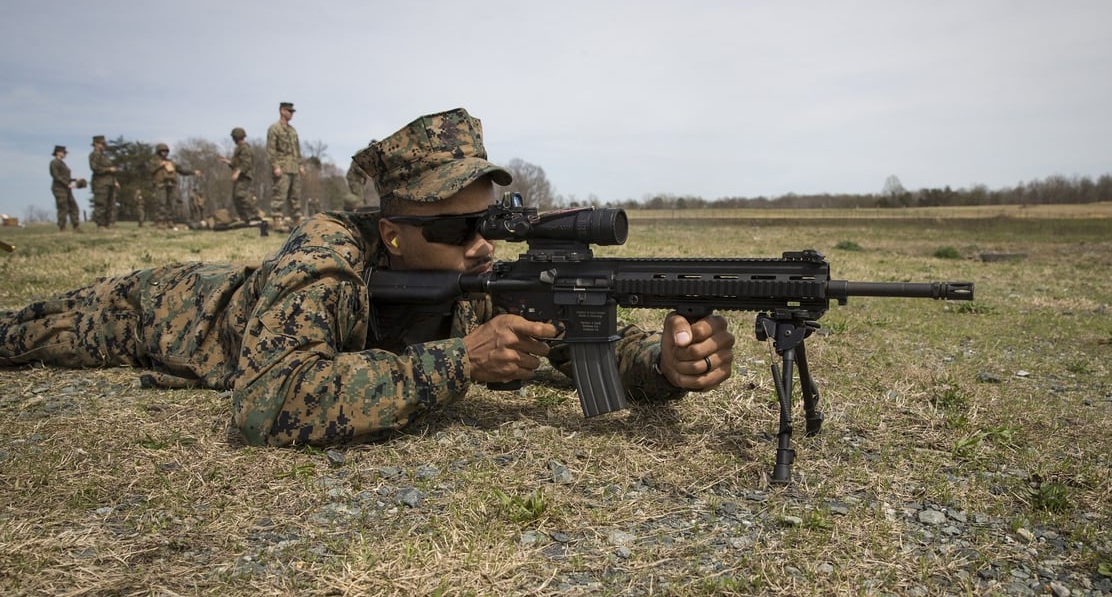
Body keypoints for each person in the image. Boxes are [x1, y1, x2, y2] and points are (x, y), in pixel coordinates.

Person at [0, 108, 735, 447]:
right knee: (26, 334)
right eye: (456, 228)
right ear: (393, 233)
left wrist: (664, 363)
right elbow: (263, 403)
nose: (483, 244)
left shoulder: (483, 271)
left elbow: (583, 353)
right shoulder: (325, 255)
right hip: (163, 310)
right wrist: (458, 361)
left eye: (492, 222)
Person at [266, 101, 304, 230]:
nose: (291, 114)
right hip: (282, 168)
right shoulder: (274, 129)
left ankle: (297, 221)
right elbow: (271, 150)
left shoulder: (293, 131)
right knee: (279, 194)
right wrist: (275, 166)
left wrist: (300, 165)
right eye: (289, 111)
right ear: (282, 111)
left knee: (295, 196)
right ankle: (277, 220)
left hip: (294, 167)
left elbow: (297, 149)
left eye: (292, 112)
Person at [151, 143, 201, 227]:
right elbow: (150, 171)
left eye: (166, 151)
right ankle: (160, 221)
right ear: (158, 152)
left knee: (171, 204)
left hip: (171, 185)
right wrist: (159, 166)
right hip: (160, 185)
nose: (165, 153)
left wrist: (193, 172)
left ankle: (170, 220)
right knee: (161, 203)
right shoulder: (154, 161)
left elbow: (181, 170)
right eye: (163, 151)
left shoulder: (171, 162)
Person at [218, 127, 257, 225]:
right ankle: (245, 218)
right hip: (240, 175)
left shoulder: (245, 148)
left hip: (244, 176)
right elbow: (237, 164)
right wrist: (228, 162)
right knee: (236, 197)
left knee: (240, 195)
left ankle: (254, 214)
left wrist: (237, 172)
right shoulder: (238, 148)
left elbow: (246, 163)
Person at [89, 135, 120, 228]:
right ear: (96, 144)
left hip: (109, 182)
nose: (103, 146)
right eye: (102, 144)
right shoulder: (94, 155)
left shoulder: (104, 156)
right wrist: (108, 169)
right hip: (100, 183)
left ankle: (107, 224)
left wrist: (115, 181)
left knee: (110, 204)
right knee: (101, 203)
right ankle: (100, 224)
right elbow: (95, 168)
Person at [49, 145, 80, 232]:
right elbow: (56, 176)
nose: (65, 154)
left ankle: (76, 226)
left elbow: (64, 177)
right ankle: (62, 227)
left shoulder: (62, 163)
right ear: (58, 152)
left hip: (66, 188)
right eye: (64, 152)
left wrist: (74, 179)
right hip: (59, 188)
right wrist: (67, 184)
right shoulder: (54, 163)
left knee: (74, 207)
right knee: (63, 208)